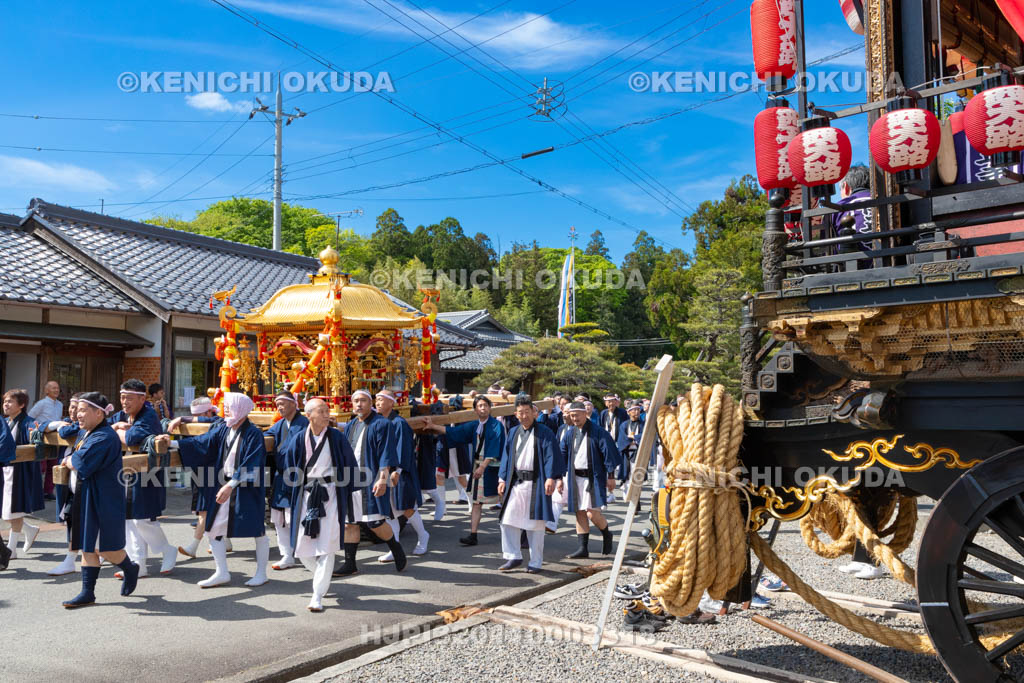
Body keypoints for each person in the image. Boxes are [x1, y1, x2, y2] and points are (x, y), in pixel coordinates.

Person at [160, 392, 269, 588]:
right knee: (213, 529)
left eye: (229, 406)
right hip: (224, 485)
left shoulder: (254, 433)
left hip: (246, 488)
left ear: (241, 409)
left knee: (257, 530)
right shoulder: (225, 428)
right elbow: (202, 442)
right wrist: (173, 443)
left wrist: (231, 484)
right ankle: (221, 572)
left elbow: (253, 463)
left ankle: (261, 573)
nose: (225, 410)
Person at [60, 392, 140, 608]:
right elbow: (75, 458)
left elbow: (81, 461)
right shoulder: (87, 433)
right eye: (77, 409)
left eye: (83, 410)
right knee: (88, 546)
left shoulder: (103, 436)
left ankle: (129, 567)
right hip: (85, 495)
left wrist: (70, 460)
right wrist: (70, 460)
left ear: (99, 413)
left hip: (102, 497)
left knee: (106, 548)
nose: (78, 414)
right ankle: (88, 593)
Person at [280, 398, 356, 612]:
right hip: (306, 496)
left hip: (330, 494)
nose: (326, 414)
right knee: (302, 549)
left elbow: (350, 464)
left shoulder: (337, 438)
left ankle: (317, 595)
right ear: (309, 415)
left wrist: (351, 493)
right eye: (321, 411)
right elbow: (289, 469)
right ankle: (321, 578)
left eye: (327, 410)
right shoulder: (297, 439)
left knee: (327, 546)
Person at [335, 389, 407, 576]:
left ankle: (395, 547)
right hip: (351, 479)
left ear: (371, 402)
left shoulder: (382, 424)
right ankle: (350, 563)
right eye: (356, 401)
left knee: (375, 522)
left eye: (363, 400)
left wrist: (383, 479)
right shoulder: (351, 425)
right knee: (350, 523)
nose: (359, 404)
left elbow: (386, 453)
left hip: (371, 478)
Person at [110, 379, 176, 577]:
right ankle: (137, 564)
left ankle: (166, 549)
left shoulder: (148, 415)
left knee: (142, 518)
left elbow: (132, 439)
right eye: (122, 398)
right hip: (126, 472)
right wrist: (117, 426)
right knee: (129, 518)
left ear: (142, 399)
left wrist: (119, 430)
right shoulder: (121, 415)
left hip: (148, 472)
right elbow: (104, 427)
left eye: (129, 398)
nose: (124, 402)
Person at [423, 395, 505, 546]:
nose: (483, 408)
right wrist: (433, 426)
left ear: (490, 407)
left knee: (504, 501)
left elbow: (495, 447)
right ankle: (473, 534)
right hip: (478, 466)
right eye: (479, 406)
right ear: (475, 409)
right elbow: (456, 432)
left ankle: (514, 533)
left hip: (494, 468)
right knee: (477, 503)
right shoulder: (475, 425)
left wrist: (482, 466)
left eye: (485, 405)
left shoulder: (496, 425)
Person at [496, 394, 562, 573]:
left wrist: (551, 477)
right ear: (515, 414)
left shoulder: (545, 432)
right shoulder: (513, 432)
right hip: (516, 483)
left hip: (537, 483)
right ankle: (513, 556)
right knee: (507, 520)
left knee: (536, 525)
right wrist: (502, 479)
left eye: (527, 412)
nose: (524, 415)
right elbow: (506, 458)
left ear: (534, 412)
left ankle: (536, 561)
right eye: (520, 412)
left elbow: (551, 455)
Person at [167, 397, 225, 560]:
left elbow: (212, 421)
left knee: (205, 509)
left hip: (215, 469)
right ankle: (225, 541)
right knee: (214, 508)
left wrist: (182, 418)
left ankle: (193, 546)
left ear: (209, 411)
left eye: (201, 415)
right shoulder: (192, 425)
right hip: (200, 469)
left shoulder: (219, 422)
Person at [561, 401, 620, 558]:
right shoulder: (569, 433)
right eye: (572, 415)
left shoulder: (598, 432)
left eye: (577, 415)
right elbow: (562, 454)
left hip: (593, 477)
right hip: (575, 477)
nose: (574, 418)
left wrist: (611, 476)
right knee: (579, 512)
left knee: (592, 514)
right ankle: (583, 548)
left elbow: (609, 453)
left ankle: (607, 534)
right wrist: (559, 477)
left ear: (585, 413)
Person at [377, 389, 429, 557]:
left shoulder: (398, 423)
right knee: (390, 511)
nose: (377, 403)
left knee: (407, 507)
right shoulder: (378, 421)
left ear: (391, 403)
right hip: (384, 471)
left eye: (381, 400)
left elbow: (404, 448)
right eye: (376, 400)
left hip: (400, 471)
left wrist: (397, 470)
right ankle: (395, 548)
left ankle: (423, 536)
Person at [264, 391, 308, 570]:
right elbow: (267, 436)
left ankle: (305, 552)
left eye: (282, 403)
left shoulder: (305, 423)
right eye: (277, 404)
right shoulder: (280, 425)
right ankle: (286, 555)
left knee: (296, 517)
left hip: (300, 476)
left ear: (294, 403)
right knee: (279, 517)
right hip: (281, 477)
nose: (279, 407)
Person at [43, 393, 85, 575]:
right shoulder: (67, 421)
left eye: (77, 407)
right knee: (71, 518)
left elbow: (67, 432)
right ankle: (78, 556)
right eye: (71, 406)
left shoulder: (86, 427)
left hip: (82, 479)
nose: (73, 410)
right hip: (67, 480)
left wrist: (61, 427)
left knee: (78, 518)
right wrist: (58, 424)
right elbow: (43, 426)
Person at [2, 388, 43, 559]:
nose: (6, 404)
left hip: (19, 472)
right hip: (5, 470)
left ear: (22, 404)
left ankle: (11, 550)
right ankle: (29, 529)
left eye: (10, 401)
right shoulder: (5, 421)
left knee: (14, 510)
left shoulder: (28, 422)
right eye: (5, 401)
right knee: (6, 511)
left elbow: (37, 444)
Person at [829, 164, 874, 263]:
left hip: (852, 268)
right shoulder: (882, 201)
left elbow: (829, 251)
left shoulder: (837, 208)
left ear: (846, 187)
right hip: (891, 262)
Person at [29, 380, 62, 500]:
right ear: (46, 390)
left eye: (57, 388)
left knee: (52, 465)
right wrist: (38, 428)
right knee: (40, 466)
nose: (56, 390)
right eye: (53, 388)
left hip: (55, 438)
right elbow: (30, 418)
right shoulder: (41, 404)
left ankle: (48, 491)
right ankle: (36, 492)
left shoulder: (60, 404)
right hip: (42, 437)